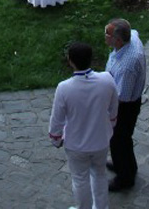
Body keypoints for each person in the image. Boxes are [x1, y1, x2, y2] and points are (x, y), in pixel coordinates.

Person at [49, 42, 119, 209]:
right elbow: (114, 108)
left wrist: (56, 139)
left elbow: (57, 119)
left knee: (80, 179)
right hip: (101, 141)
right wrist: (110, 125)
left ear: (70, 61)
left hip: (76, 144)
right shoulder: (107, 80)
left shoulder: (64, 88)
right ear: (91, 59)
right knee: (100, 175)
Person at [105, 19, 146, 192]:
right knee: (124, 139)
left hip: (125, 108)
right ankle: (129, 166)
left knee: (118, 140)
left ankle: (125, 178)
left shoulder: (127, 66)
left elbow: (122, 97)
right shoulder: (132, 36)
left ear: (118, 40)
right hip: (127, 102)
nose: (104, 37)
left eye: (107, 34)